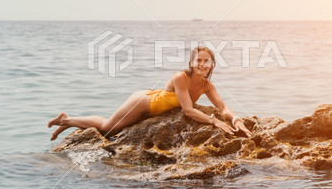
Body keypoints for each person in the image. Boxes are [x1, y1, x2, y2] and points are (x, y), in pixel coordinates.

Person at [48, 46, 252, 141]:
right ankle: (67, 120)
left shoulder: (207, 86)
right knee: (108, 128)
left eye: (206, 61)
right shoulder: (180, 77)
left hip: (153, 106)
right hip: (144, 102)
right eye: (198, 60)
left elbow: (223, 106)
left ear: (211, 64)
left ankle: (67, 120)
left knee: (109, 126)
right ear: (191, 62)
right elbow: (188, 111)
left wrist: (235, 120)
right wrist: (214, 121)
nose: (202, 64)